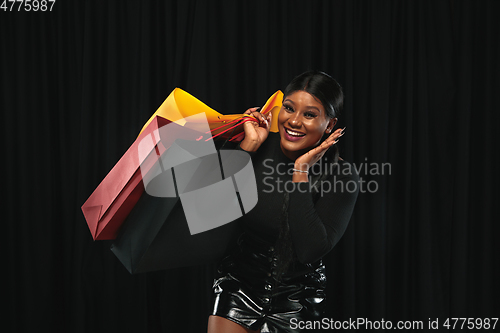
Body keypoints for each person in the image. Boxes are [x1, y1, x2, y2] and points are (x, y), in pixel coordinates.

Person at [207, 71, 359, 333]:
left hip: (298, 297)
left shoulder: (342, 174)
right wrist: (247, 149)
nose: (295, 121)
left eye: (309, 114)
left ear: (330, 125)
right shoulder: (256, 147)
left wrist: (300, 172)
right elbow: (208, 213)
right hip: (239, 283)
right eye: (289, 108)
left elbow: (310, 249)